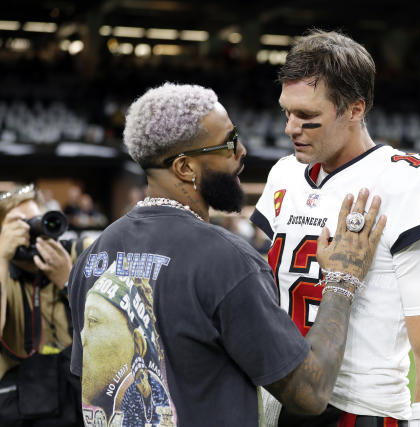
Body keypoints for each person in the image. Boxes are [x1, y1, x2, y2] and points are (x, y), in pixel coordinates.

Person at [67, 83, 386, 427]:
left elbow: (86, 385)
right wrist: (342, 279)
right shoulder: (225, 260)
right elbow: (309, 393)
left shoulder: (93, 258)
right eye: (229, 143)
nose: (242, 151)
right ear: (185, 168)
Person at [251, 30, 420, 426]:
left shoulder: (410, 183)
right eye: (287, 112)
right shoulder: (284, 174)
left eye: (307, 117)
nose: (290, 128)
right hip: (281, 400)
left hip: (361, 410)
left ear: (354, 109)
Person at [0, 183, 87, 426]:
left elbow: (106, 331)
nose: (33, 231)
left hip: (74, 402)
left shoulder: (75, 257)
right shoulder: (2, 269)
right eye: (19, 223)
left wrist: (68, 281)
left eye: (37, 221)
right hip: (19, 410)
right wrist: (2, 256)